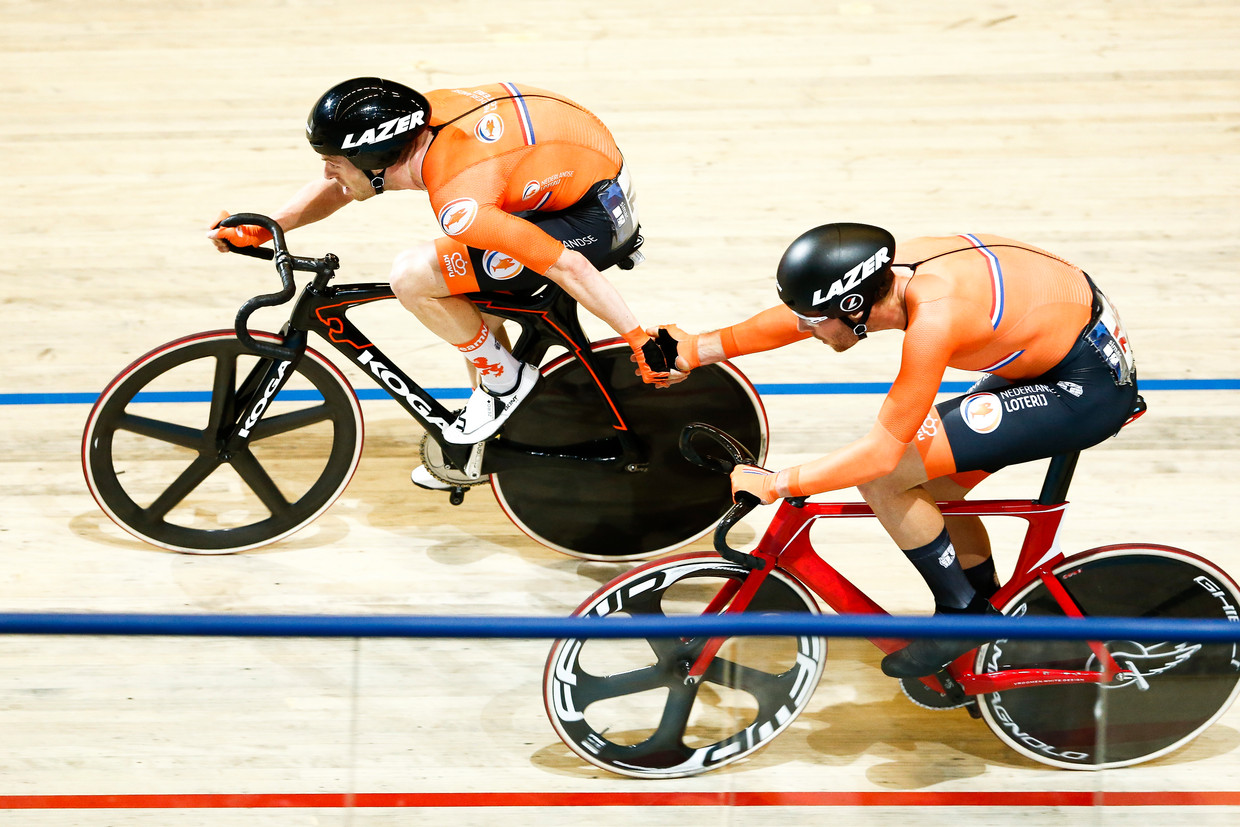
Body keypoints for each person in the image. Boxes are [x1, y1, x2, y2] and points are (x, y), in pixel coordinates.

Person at [658, 223, 1138, 678]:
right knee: (927, 482)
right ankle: (986, 603)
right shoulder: (890, 271)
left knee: (887, 479)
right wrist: (699, 349)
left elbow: (880, 456)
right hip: (1055, 341)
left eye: (815, 322)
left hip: (1082, 387)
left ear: (852, 304)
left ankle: (963, 615)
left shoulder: (935, 321)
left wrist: (776, 483)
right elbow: (798, 317)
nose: (808, 329)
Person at [208, 77, 672, 489]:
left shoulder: (461, 201)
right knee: (471, 309)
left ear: (375, 159)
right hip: (561, 175)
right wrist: (274, 224)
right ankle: (490, 430)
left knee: (415, 276)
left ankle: (505, 385)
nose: (328, 171)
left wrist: (639, 339)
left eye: (335, 161)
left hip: (589, 216)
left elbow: (568, 268)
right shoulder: (412, 118)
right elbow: (341, 186)